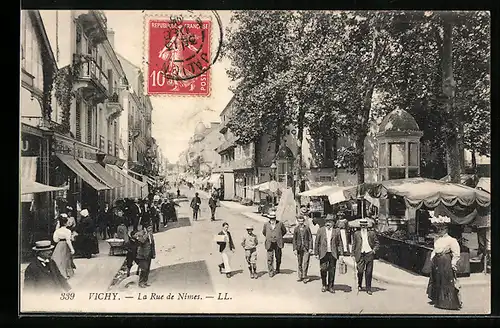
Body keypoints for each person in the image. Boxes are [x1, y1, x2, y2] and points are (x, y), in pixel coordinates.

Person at [426, 214, 462, 310]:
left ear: (446, 229)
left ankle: (446, 302)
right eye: (439, 229)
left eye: (442, 229)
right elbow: (435, 249)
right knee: (437, 279)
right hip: (437, 261)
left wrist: (453, 263)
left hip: (445, 261)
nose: (440, 231)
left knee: (445, 281)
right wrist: (432, 257)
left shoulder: (452, 240)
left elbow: (456, 253)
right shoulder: (437, 239)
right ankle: (437, 299)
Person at [314, 214, 344, 293]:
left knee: (332, 270)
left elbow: (340, 243)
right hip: (323, 252)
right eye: (327, 221)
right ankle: (324, 285)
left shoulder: (336, 231)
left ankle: (331, 286)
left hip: (333, 253)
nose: (328, 223)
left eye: (330, 221)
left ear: (333, 223)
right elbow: (317, 242)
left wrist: (341, 254)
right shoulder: (321, 230)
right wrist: (316, 253)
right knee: (323, 269)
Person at [352, 219, 379, 295]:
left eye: (364, 225)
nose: (363, 226)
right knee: (360, 270)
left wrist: (373, 251)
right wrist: (352, 254)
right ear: (360, 226)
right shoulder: (356, 233)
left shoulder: (371, 233)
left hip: (369, 254)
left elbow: (377, 243)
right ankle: (359, 284)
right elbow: (354, 244)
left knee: (369, 272)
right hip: (360, 254)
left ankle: (368, 288)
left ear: (367, 225)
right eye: (362, 225)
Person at [262, 211, 287, 277]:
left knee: (278, 257)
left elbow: (284, 231)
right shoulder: (266, 224)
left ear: (275, 218)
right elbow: (264, 232)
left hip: (278, 243)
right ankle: (270, 271)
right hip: (269, 243)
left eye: (273, 218)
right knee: (269, 258)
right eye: (270, 218)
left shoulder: (280, 223)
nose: (272, 220)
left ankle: (277, 268)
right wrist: (269, 237)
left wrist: (279, 237)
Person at [52, 214, 76, 279]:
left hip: (59, 245)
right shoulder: (68, 231)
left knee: (59, 259)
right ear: (65, 223)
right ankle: (67, 273)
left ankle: (61, 273)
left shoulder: (57, 231)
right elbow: (68, 241)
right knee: (66, 259)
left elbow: (55, 240)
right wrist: (72, 249)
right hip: (66, 245)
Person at [292, 215, 314, 283]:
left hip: (306, 248)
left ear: (304, 221)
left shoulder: (307, 228)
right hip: (299, 248)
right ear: (298, 221)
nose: (301, 222)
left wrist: (310, 247)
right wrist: (294, 249)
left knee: (305, 262)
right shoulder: (296, 229)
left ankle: (305, 276)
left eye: (302, 221)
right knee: (300, 262)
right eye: (299, 221)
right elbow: (294, 240)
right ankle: (300, 276)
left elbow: (310, 238)